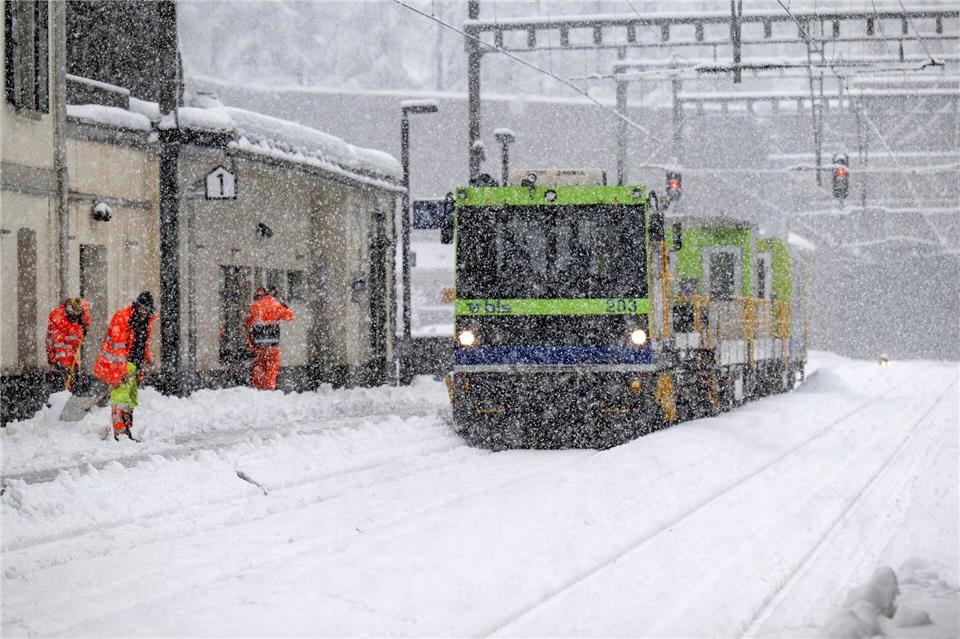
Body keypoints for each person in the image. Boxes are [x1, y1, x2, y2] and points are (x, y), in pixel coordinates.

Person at [93, 292, 156, 441]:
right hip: (117, 364)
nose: (143, 311)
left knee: (130, 400)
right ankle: (120, 435)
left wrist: (146, 358)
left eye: (146, 309)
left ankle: (126, 430)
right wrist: (122, 370)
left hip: (134, 365)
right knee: (120, 399)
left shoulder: (146, 321)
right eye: (141, 308)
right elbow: (118, 347)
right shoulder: (122, 318)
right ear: (136, 305)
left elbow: (142, 342)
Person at [245, 287, 294, 390]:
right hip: (272, 343)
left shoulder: (254, 306)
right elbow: (290, 316)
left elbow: (248, 324)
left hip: (259, 344)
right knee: (271, 368)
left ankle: (258, 387)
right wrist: (284, 306)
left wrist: (250, 343)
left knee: (259, 365)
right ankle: (269, 387)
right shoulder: (275, 304)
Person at [46, 297, 90, 391]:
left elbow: (85, 314)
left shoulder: (81, 309)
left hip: (72, 352)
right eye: (73, 318)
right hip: (58, 357)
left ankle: (71, 389)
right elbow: (59, 346)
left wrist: (85, 325)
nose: (75, 320)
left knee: (73, 377)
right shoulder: (58, 319)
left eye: (77, 317)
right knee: (61, 379)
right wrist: (65, 366)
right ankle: (61, 391)